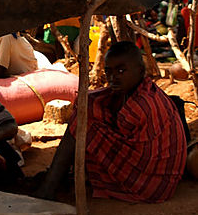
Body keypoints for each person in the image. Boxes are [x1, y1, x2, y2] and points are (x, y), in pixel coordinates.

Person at [34, 41, 187, 203]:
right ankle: (59, 177)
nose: (114, 78)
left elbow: (114, 121)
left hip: (150, 184)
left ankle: (50, 186)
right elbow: (94, 99)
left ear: (140, 71)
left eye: (121, 71)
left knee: (82, 124)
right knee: (86, 111)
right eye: (109, 71)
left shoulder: (140, 105)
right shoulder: (141, 89)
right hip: (161, 180)